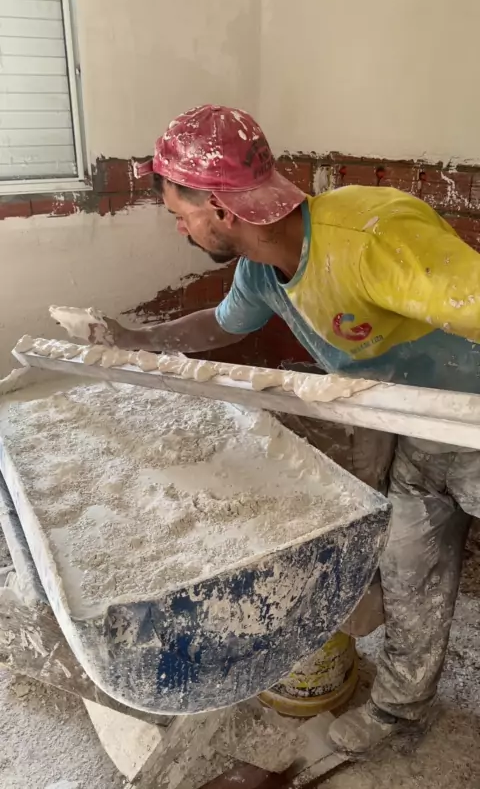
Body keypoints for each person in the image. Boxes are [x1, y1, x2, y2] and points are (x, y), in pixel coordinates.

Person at [96, 104, 480, 756]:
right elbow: (222, 324)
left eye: (179, 213)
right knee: (411, 572)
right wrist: (134, 340)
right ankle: (399, 708)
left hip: (470, 423)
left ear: (220, 207)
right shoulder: (259, 271)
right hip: (414, 437)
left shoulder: (369, 234)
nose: (180, 228)